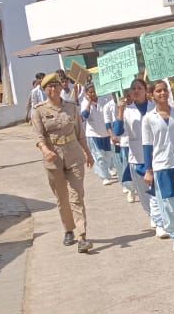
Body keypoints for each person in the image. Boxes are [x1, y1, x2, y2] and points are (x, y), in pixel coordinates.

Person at [32, 73, 94, 253]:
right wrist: (46, 150)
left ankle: (82, 236)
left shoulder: (71, 107)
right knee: (62, 197)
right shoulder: (39, 111)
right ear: (44, 90)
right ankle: (68, 229)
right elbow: (38, 136)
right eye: (49, 87)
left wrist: (88, 153)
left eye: (56, 85)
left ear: (61, 87)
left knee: (76, 196)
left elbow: (80, 133)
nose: (53, 89)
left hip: (74, 154)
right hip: (54, 157)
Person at [142, 80, 174, 253]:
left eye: (165, 90)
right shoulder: (148, 118)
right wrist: (148, 170)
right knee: (168, 201)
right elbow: (147, 145)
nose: (163, 93)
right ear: (151, 95)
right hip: (161, 164)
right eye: (159, 91)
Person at [120, 81, 167, 235]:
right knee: (144, 194)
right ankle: (153, 216)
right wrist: (120, 111)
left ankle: (160, 223)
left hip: (156, 156)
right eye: (133, 89)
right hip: (137, 159)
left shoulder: (154, 107)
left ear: (146, 90)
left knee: (155, 191)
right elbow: (118, 131)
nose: (136, 91)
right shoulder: (127, 111)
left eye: (139, 88)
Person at [81, 87, 115, 186]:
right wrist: (89, 103)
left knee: (108, 155)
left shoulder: (103, 100)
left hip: (106, 133)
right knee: (98, 156)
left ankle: (107, 169)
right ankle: (104, 177)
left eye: (94, 92)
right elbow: (84, 116)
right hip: (93, 134)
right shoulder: (84, 103)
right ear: (86, 94)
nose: (93, 94)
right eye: (90, 92)